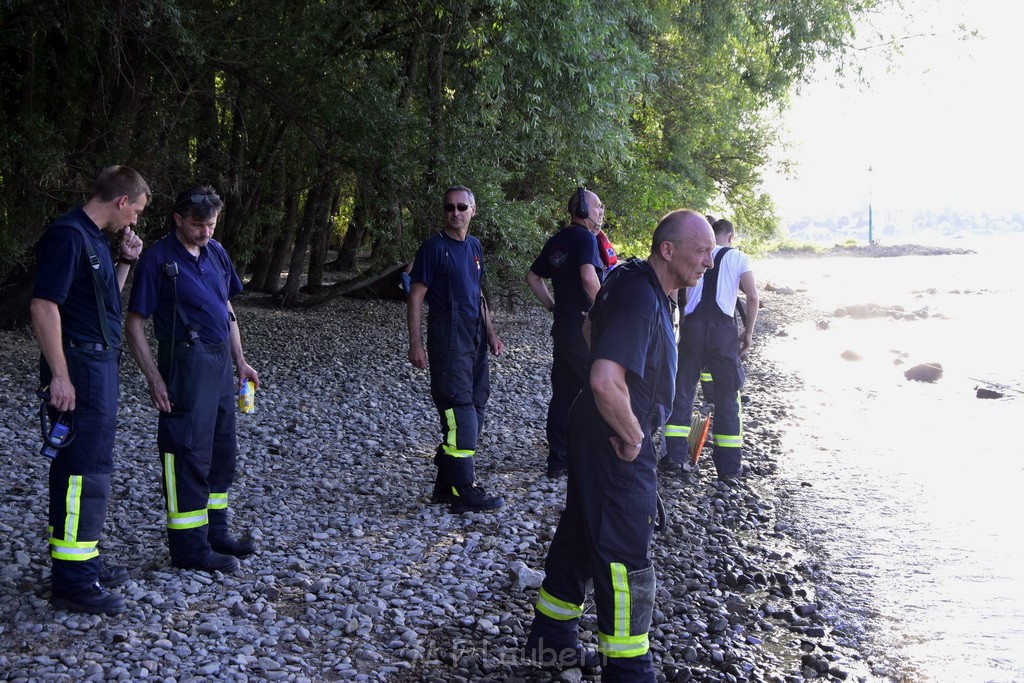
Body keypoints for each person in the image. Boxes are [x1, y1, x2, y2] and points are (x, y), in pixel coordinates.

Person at [526, 210, 716, 681]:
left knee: (580, 531)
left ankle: (551, 642)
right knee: (625, 553)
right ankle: (630, 670)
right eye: (701, 251)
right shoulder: (639, 296)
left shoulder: (630, 277)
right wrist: (633, 436)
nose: (709, 262)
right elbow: (605, 380)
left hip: (593, 428)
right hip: (615, 436)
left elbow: (591, 329)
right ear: (668, 250)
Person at [30, 165, 149, 615]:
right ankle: (74, 583)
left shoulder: (97, 237)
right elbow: (44, 306)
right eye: (135, 211)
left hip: (100, 360)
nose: (134, 221)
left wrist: (126, 261)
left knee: (93, 465)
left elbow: (104, 304)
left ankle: (84, 559)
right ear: (122, 201)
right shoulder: (68, 235)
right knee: (83, 468)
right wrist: (60, 376)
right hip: (79, 364)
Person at [125, 185, 258, 575]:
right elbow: (134, 324)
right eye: (198, 225)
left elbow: (226, 307)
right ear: (178, 219)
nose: (205, 232)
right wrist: (153, 377)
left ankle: (215, 532)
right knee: (186, 454)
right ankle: (188, 548)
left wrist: (241, 362)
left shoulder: (216, 252)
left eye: (212, 224)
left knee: (221, 452)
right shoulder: (158, 259)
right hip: (184, 364)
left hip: (218, 365)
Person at [407, 185, 506, 512]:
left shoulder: (475, 247)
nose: (455, 213)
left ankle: (445, 486)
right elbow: (416, 295)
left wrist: (491, 333)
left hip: (474, 335)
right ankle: (463, 489)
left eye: (462, 207)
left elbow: (479, 295)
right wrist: (416, 343)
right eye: (449, 207)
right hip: (447, 335)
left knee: (476, 404)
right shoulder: (433, 248)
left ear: (473, 211)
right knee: (458, 408)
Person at [662, 216, 759, 479]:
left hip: (692, 330)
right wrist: (748, 333)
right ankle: (728, 468)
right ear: (730, 236)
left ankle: (675, 458)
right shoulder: (738, 258)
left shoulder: (691, 253)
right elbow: (752, 296)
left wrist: (675, 324)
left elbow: (674, 289)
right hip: (723, 333)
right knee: (727, 398)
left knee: (682, 392)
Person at [525, 188, 605, 478]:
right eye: (597, 207)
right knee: (600, 388)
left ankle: (558, 461)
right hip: (582, 326)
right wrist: (604, 311)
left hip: (562, 325)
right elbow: (588, 277)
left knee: (563, 393)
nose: (600, 213)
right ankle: (599, 454)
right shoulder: (585, 238)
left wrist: (552, 306)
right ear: (582, 209)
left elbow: (532, 277)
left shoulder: (556, 240)